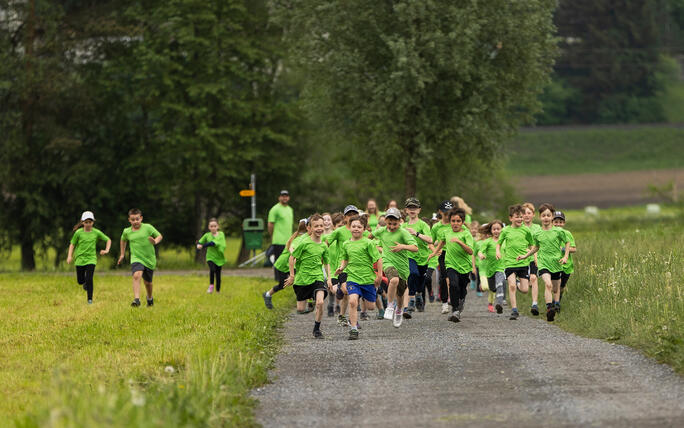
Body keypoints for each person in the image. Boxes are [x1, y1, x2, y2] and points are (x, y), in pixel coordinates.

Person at [517, 203, 571, 322]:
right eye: (543, 215)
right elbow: (535, 247)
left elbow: (567, 243)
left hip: (556, 263)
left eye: (548, 215)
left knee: (556, 289)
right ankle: (549, 309)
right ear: (540, 217)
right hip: (543, 263)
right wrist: (525, 256)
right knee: (548, 284)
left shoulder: (558, 231)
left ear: (552, 217)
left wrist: (566, 256)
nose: (546, 218)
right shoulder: (537, 233)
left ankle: (553, 304)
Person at [284, 214, 333, 339]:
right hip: (302, 279)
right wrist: (292, 275)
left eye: (321, 226)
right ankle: (311, 298)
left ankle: (317, 329)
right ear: (309, 228)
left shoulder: (323, 246)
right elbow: (291, 257)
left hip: (317, 277)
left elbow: (327, 263)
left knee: (321, 302)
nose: (319, 228)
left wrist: (329, 278)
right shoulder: (304, 243)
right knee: (300, 309)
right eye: (316, 226)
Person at [336, 216, 383, 340]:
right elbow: (345, 258)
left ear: (364, 229)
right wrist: (341, 268)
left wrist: (379, 275)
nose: (356, 229)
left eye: (359, 227)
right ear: (349, 228)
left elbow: (378, 259)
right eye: (354, 226)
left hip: (368, 279)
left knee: (371, 307)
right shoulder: (346, 244)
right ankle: (353, 329)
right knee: (352, 301)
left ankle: (364, 294)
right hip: (353, 278)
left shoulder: (368, 243)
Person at [372, 207, 418, 328]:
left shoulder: (403, 232)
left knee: (401, 295)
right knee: (394, 280)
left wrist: (403, 246)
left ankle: (399, 310)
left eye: (395, 224)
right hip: (387, 262)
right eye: (389, 224)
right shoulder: (382, 231)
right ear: (385, 221)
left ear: (400, 221)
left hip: (402, 266)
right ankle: (390, 305)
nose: (392, 227)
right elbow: (369, 236)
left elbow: (415, 247)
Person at [428, 208, 474, 323]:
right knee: (453, 285)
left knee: (462, 288)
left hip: (464, 266)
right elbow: (442, 242)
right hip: (450, 264)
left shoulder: (466, 234)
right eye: (453, 221)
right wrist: (434, 252)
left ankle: (461, 300)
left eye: (458, 221)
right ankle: (455, 310)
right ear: (450, 222)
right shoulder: (447, 232)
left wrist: (459, 242)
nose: (455, 223)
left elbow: (470, 251)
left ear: (462, 222)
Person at [118, 208, 163, 307]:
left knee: (148, 283)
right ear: (129, 220)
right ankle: (137, 300)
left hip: (149, 259)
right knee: (136, 275)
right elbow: (123, 240)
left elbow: (159, 236)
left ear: (141, 218)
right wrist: (122, 254)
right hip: (136, 258)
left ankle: (150, 298)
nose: (135, 222)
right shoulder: (127, 231)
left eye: (137, 219)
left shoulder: (148, 227)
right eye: (133, 220)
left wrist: (155, 241)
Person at [496, 204, 534, 320]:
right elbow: (499, 243)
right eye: (517, 217)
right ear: (510, 218)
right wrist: (497, 251)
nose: (520, 219)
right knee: (511, 286)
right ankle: (514, 310)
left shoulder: (526, 230)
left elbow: (532, 245)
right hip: (510, 263)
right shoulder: (506, 230)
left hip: (523, 263)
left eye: (521, 217)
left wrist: (529, 251)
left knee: (525, 289)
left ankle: (518, 283)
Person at [325, 205, 360, 327]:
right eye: (349, 215)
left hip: (357, 267)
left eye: (354, 214)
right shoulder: (339, 231)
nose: (352, 217)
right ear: (345, 217)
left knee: (351, 295)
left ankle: (343, 316)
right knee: (347, 291)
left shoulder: (359, 230)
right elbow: (326, 242)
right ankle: (352, 320)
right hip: (343, 266)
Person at [66, 211, 111, 304]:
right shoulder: (78, 233)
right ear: (82, 222)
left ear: (93, 222)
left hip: (91, 259)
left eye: (90, 222)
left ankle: (90, 299)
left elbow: (108, 240)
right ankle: (84, 283)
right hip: (79, 259)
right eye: (86, 222)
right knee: (80, 281)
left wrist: (106, 250)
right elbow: (72, 244)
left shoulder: (96, 232)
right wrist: (69, 256)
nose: (88, 224)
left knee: (89, 278)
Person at [263, 219, 309, 310]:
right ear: (308, 227)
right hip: (283, 264)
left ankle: (305, 302)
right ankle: (267, 295)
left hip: (288, 264)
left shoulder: (301, 236)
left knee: (302, 281)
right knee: (283, 285)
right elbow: (293, 254)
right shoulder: (299, 238)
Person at [402, 197, 432, 313]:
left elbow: (430, 240)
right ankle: (412, 299)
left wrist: (417, 233)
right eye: (410, 208)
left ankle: (419, 294)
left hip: (423, 257)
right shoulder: (403, 226)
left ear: (419, 210)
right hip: (409, 255)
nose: (412, 210)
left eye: (414, 208)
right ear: (406, 210)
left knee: (421, 280)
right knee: (412, 274)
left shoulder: (423, 225)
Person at [430, 200, 454, 314]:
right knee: (445, 278)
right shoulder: (436, 227)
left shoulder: (456, 224)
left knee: (455, 279)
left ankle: (456, 298)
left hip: (455, 254)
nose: (448, 215)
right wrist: (435, 250)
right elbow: (431, 241)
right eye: (445, 212)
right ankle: (445, 302)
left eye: (450, 212)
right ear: (440, 212)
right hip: (443, 254)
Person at [478, 220, 505, 313]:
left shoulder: (504, 241)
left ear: (502, 230)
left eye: (498, 229)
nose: (496, 231)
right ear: (491, 230)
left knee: (500, 284)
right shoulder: (487, 241)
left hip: (500, 268)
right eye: (494, 229)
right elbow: (480, 251)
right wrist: (481, 255)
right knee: (492, 288)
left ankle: (499, 304)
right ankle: (482, 286)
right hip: (489, 270)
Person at [553, 211, 576, 312]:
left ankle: (558, 300)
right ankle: (554, 304)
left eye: (560, 222)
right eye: (556, 222)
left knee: (562, 286)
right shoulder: (550, 233)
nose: (558, 224)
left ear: (564, 223)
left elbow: (574, 249)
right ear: (552, 222)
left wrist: (563, 249)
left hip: (566, 265)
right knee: (554, 285)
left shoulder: (567, 234)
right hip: (553, 264)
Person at [267, 190, 294, 277]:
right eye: (282, 196)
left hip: (288, 240)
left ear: (288, 198)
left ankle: (286, 276)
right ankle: (278, 278)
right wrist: (272, 235)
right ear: (279, 197)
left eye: (286, 196)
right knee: (278, 260)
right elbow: (270, 224)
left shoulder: (290, 209)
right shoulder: (275, 209)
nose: (284, 197)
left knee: (287, 259)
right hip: (278, 239)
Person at [522, 202, 542, 316]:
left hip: (534, 257)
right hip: (521, 259)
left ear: (533, 215)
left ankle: (534, 304)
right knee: (525, 286)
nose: (526, 215)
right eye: (524, 213)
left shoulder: (537, 228)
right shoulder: (519, 228)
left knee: (534, 278)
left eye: (529, 213)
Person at [196, 218, 226, 293]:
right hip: (210, 257)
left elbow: (213, 243)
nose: (213, 228)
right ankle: (211, 286)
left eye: (214, 226)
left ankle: (218, 291)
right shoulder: (207, 235)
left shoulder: (221, 234)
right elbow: (199, 242)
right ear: (209, 227)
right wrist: (198, 245)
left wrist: (203, 246)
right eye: (211, 226)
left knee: (218, 274)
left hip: (219, 257)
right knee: (212, 270)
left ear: (217, 227)